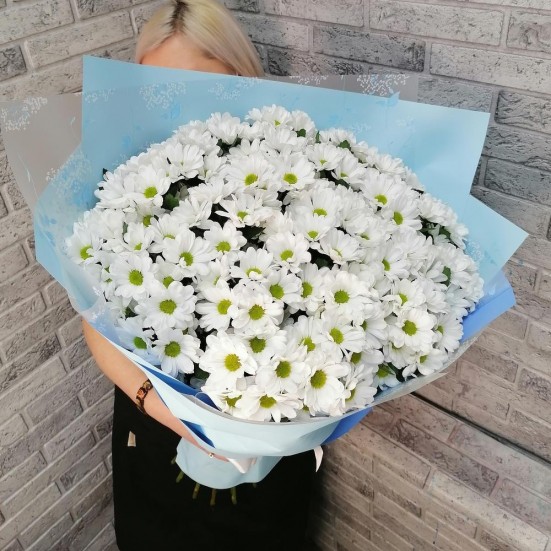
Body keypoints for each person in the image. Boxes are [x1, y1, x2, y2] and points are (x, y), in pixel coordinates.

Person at [82, 1, 318, 549]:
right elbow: (93, 320)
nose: (178, 106)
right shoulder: (124, 185)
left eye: (200, 85)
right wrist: (167, 412)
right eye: (157, 89)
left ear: (241, 76)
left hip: (269, 437)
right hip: (153, 422)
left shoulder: (298, 174)